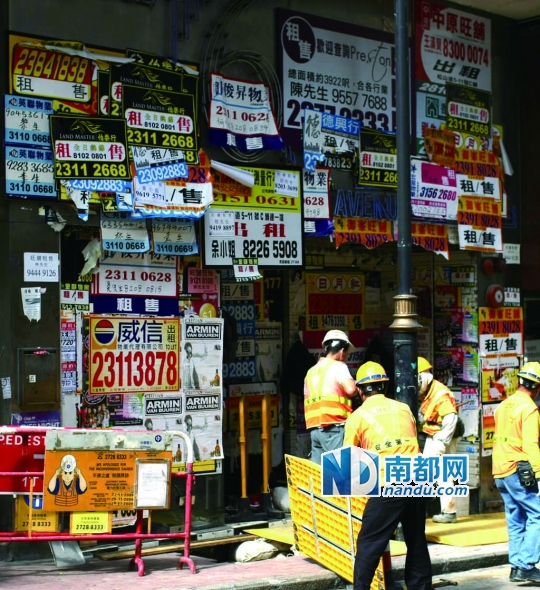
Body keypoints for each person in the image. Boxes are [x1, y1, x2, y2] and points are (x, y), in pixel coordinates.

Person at [344, 361, 432, 590]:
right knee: (416, 539)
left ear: (361, 390)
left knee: (369, 542)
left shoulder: (357, 417)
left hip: (388, 482)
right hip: (416, 478)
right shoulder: (404, 409)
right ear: (384, 386)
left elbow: (348, 464)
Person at [493, 361, 540, 584]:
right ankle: (526, 564)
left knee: (515, 518)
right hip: (518, 469)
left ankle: (516, 566)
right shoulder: (529, 408)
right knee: (537, 515)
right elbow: (531, 445)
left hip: (500, 469)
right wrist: (539, 474)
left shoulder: (504, 405)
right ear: (537, 387)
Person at [303, 329, 358, 464]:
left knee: (320, 474)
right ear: (341, 351)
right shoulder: (338, 366)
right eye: (346, 353)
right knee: (339, 470)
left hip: (315, 430)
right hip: (333, 428)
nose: (346, 357)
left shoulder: (311, 371)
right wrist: (358, 384)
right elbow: (351, 390)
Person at [417, 356, 459, 523]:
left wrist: (441, 441)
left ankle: (437, 501)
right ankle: (446, 509)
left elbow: (451, 418)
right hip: (437, 434)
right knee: (442, 473)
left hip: (441, 436)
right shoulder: (430, 391)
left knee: (435, 471)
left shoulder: (439, 394)